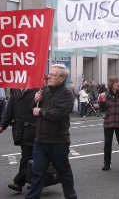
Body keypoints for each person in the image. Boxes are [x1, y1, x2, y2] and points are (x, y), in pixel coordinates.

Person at [26, 64, 77, 199]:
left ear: (62, 78)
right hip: (40, 140)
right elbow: (32, 111)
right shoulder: (45, 90)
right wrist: (35, 101)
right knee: (37, 173)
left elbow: (58, 114)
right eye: (50, 73)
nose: (49, 76)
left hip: (58, 141)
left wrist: (40, 111)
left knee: (64, 172)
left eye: (54, 75)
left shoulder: (67, 94)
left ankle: (71, 196)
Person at [0, 88, 38, 192]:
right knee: (29, 157)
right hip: (20, 129)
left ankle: (19, 182)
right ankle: (34, 181)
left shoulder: (38, 88)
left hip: (33, 129)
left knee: (27, 157)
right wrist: (3, 124)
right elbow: (10, 108)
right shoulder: (15, 90)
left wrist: (38, 100)